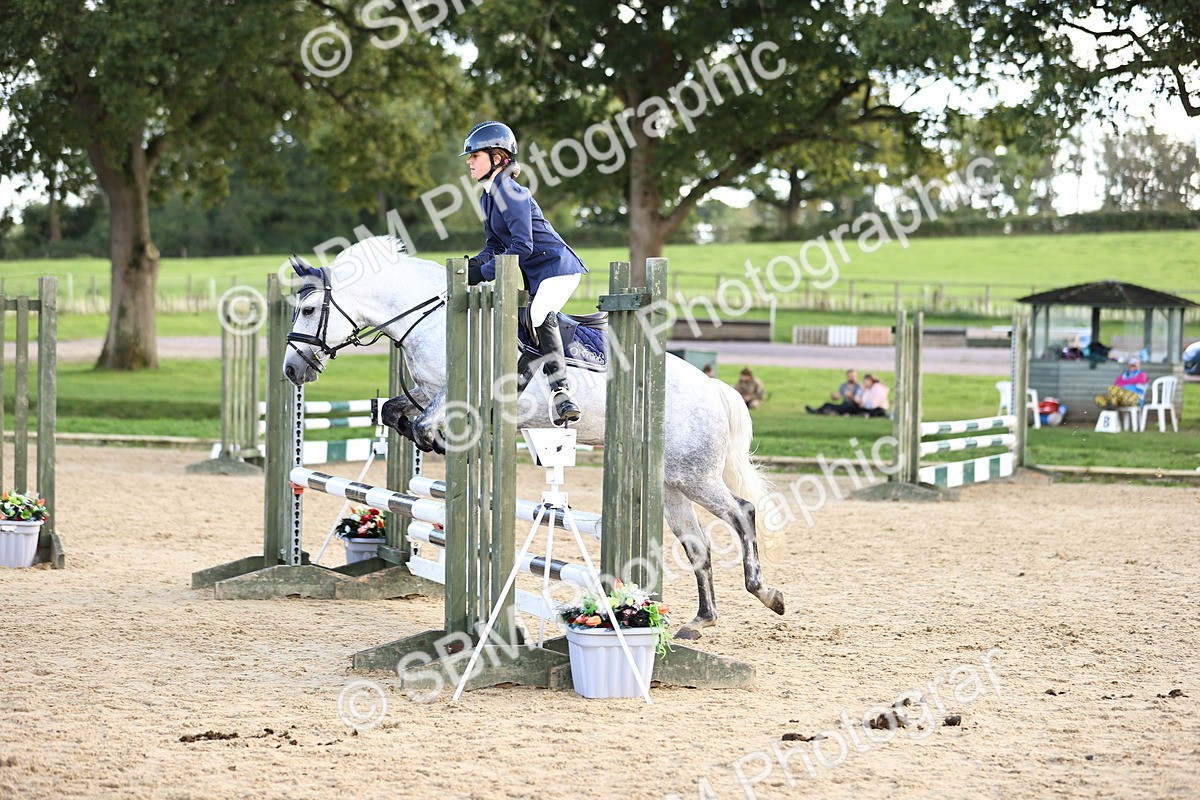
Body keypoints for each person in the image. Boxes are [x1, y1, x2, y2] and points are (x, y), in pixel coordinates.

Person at [462, 121, 588, 426]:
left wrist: (486, 273)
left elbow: (523, 245)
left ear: (497, 157)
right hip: (538, 275)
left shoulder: (512, 192)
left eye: (475, 156)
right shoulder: (488, 197)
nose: (469, 161)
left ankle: (561, 392)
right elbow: (495, 245)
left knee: (537, 315)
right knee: (525, 323)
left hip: (558, 269)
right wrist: (469, 270)